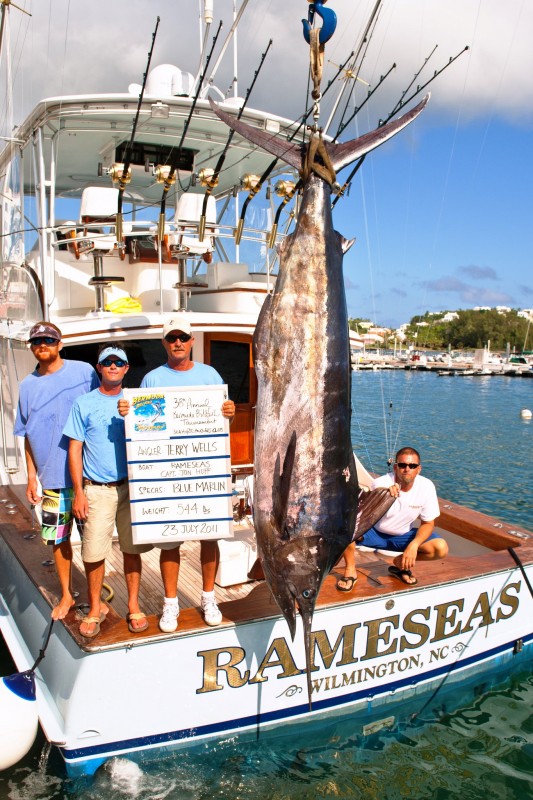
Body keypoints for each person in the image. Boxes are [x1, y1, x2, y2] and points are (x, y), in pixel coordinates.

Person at [118, 314, 235, 633]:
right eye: (172, 338)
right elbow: (141, 425)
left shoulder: (210, 375)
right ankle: (171, 604)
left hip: (205, 469)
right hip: (167, 472)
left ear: (192, 341)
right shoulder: (153, 379)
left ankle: (208, 597)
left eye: (183, 337)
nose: (178, 342)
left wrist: (230, 411)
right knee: (170, 541)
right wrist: (127, 412)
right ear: (164, 343)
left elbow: (223, 422)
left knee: (209, 537)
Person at [64, 345, 153, 638]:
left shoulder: (138, 401)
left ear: (127, 369)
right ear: (99, 368)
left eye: (119, 362)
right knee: (93, 553)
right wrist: (78, 491)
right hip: (97, 490)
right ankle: (93, 608)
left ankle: (134, 604)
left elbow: (160, 432)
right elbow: (74, 449)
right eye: (108, 362)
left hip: (133, 488)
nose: (113, 366)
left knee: (132, 550)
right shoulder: (83, 403)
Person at [14, 322, 100, 620]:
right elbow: (27, 434)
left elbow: (101, 406)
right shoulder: (26, 386)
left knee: (93, 540)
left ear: (60, 343)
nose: (43, 344)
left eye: (49, 339)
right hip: (51, 480)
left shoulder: (84, 371)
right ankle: (66, 595)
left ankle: (95, 598)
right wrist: (30, 477)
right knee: (58, 540)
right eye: (37, 341)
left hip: (87, 478)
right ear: (31, 347)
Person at [337, 446, 448, 589]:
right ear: (395, 467)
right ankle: (350, 571)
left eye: (412, 466)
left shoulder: (427, 487)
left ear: (418, 469)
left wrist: (413, 546)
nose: (407, 469)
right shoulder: (382, 483)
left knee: (440, 548)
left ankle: (401, 564)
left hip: (402, 536)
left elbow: (428, 523)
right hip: (374, 532)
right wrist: (383, 495)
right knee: (344, 528)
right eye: (402, 465)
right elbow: (362, 514)